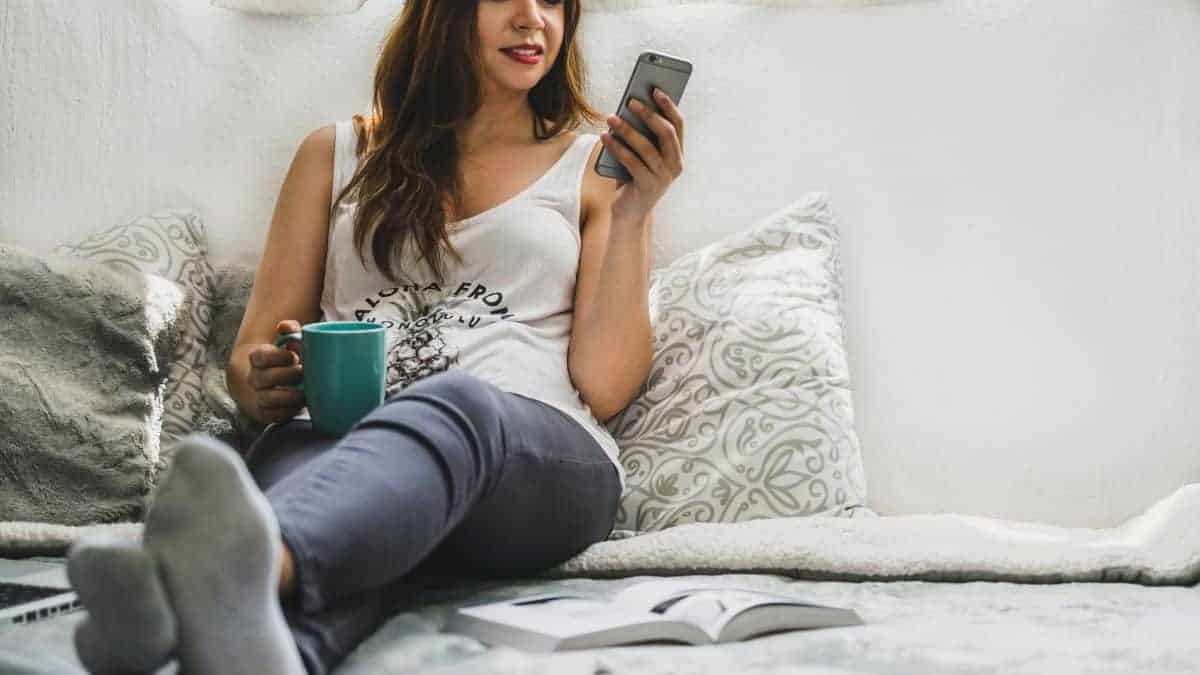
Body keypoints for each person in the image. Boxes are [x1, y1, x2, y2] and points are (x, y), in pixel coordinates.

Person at [64, 1, 685, 674]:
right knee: (358, 519)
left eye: (553, 1)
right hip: (339, 437)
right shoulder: (334, 155)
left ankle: (243, 562)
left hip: (525, 453)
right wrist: (268, 376)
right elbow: (247, 361)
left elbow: (607, 383)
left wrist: (633, 217)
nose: (533, 18)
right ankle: (255, 644)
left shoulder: (595, 167)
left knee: (456, 404)